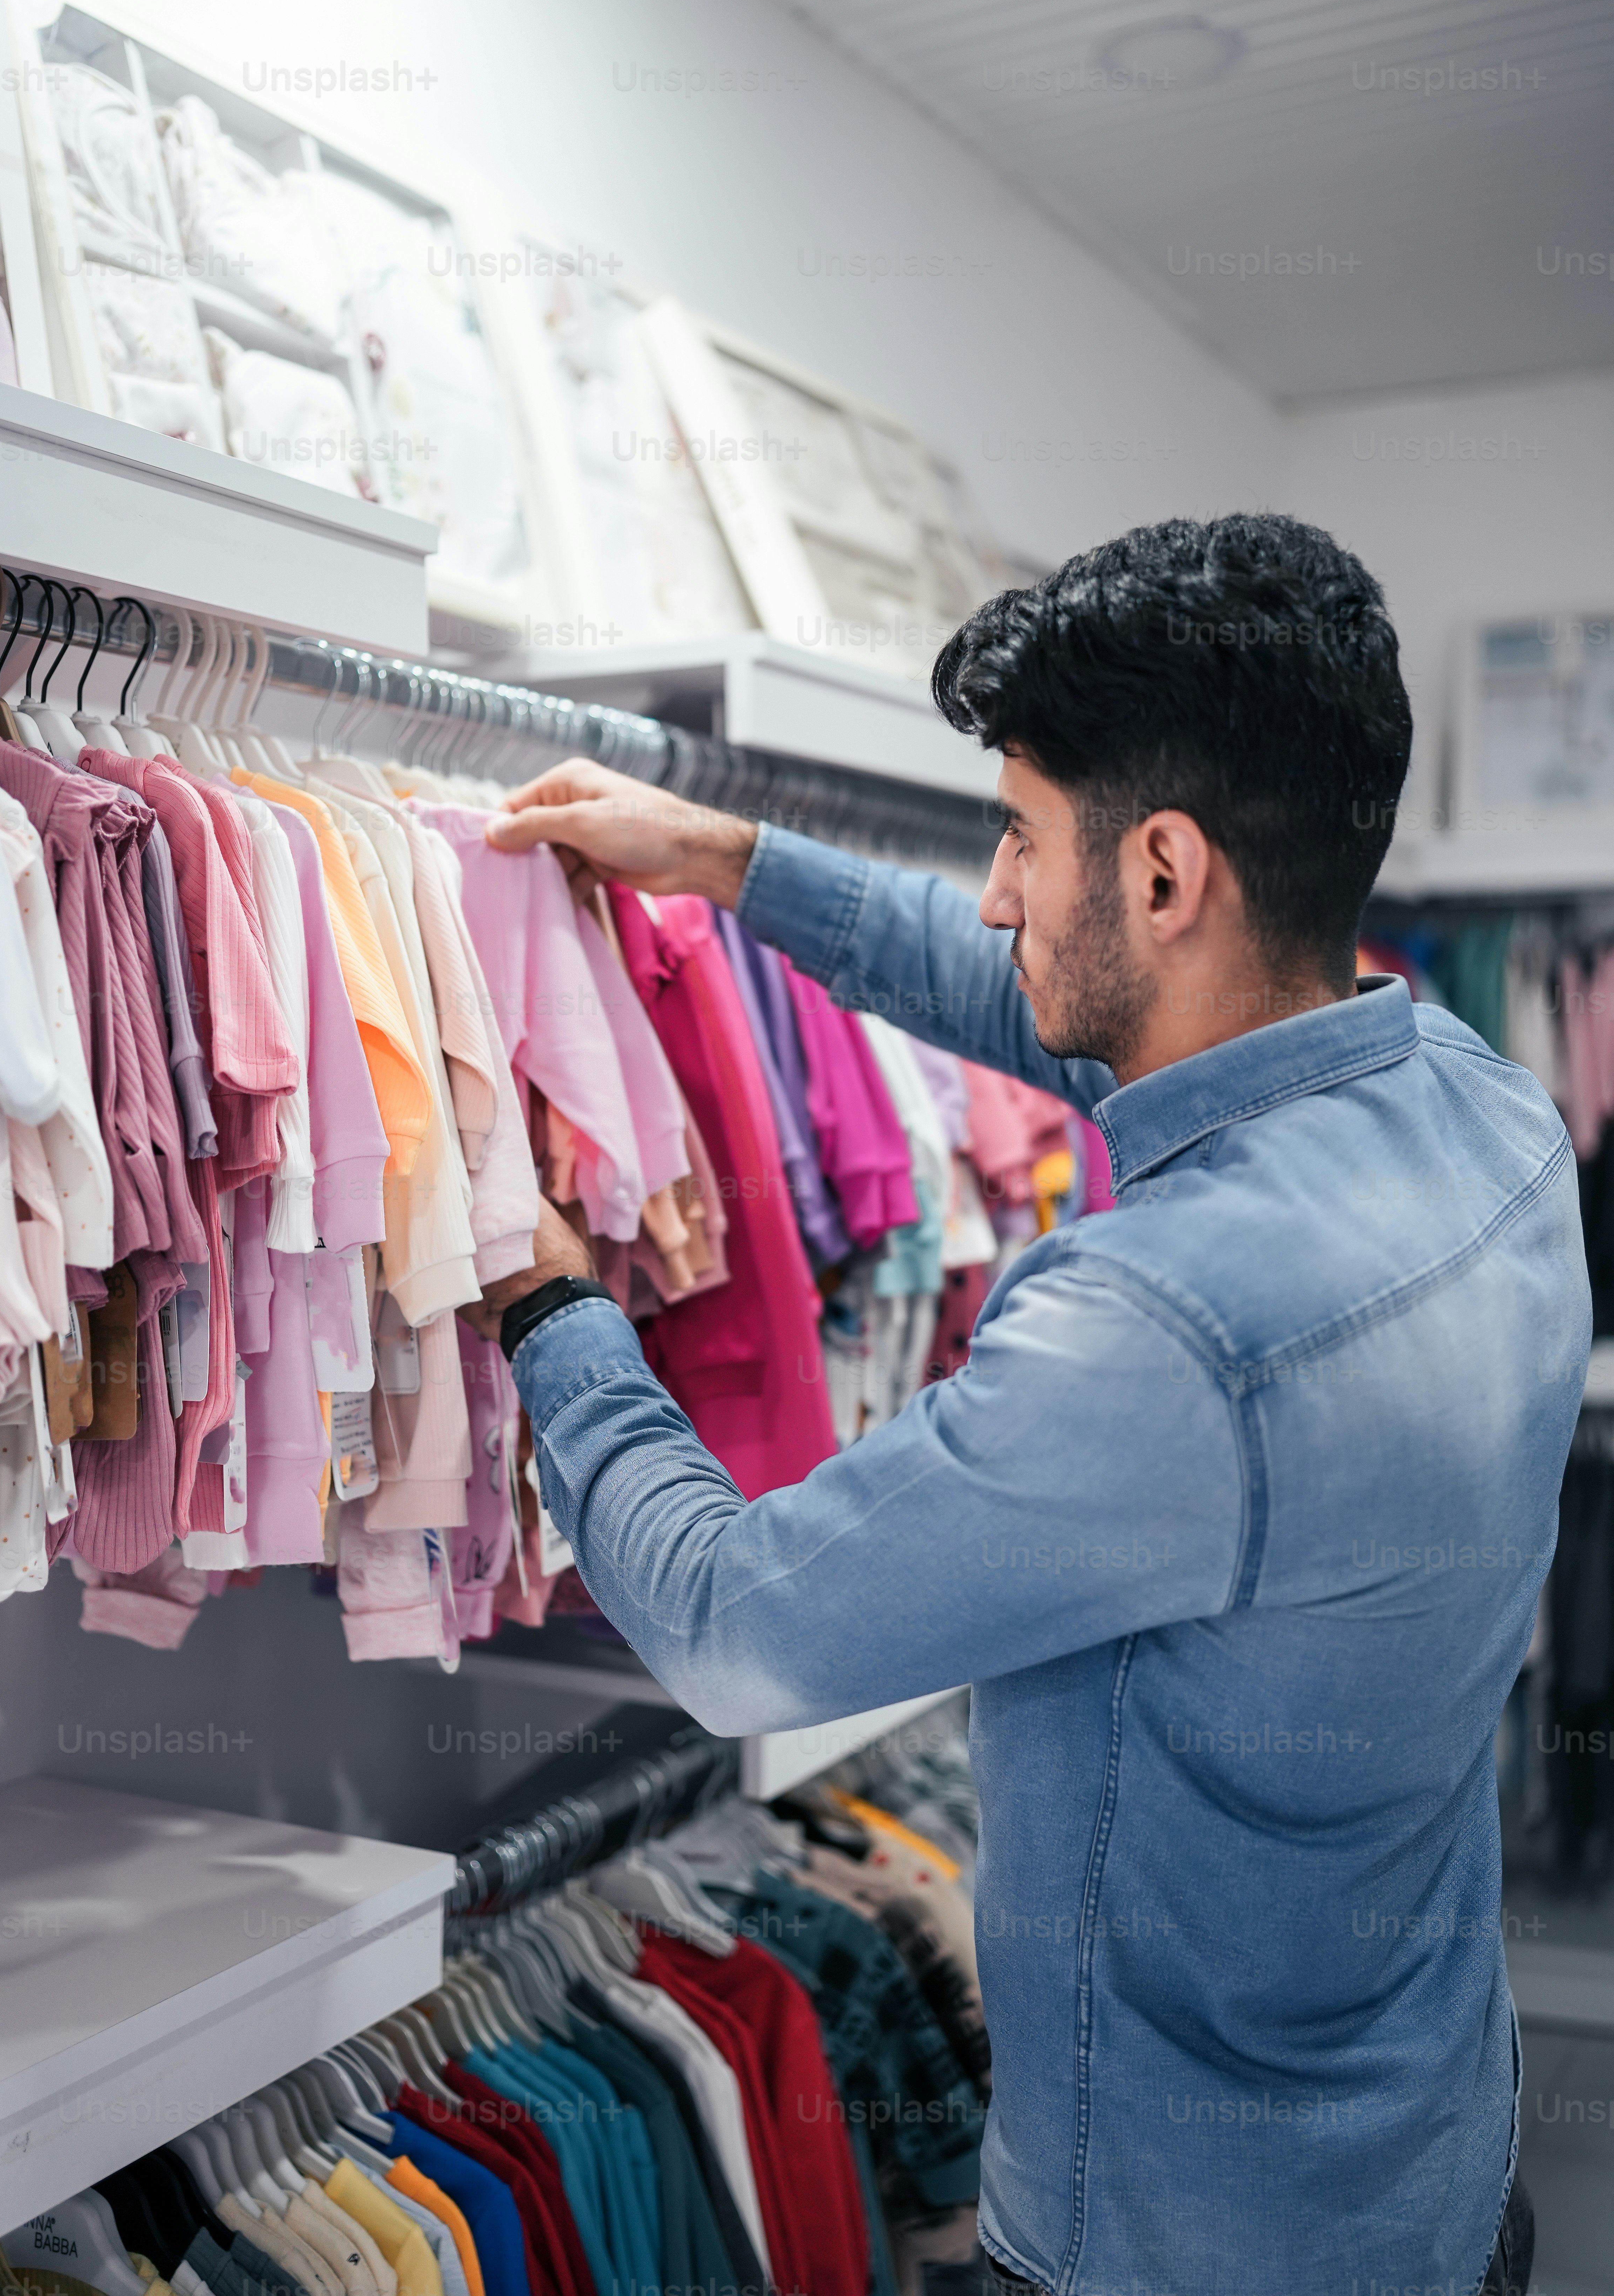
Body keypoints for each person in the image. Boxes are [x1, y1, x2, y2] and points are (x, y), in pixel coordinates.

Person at [461, 514, 1575, 2296]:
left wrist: (548, 1296)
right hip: (1431, 2166)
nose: (994, 892)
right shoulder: (1479, 1104)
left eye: (1016, 839)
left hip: (1181, 2248)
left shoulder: (1159, 1328)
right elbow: (1061, 1003)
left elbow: (740, 1629)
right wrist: (729, 861)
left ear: (1159, 874)